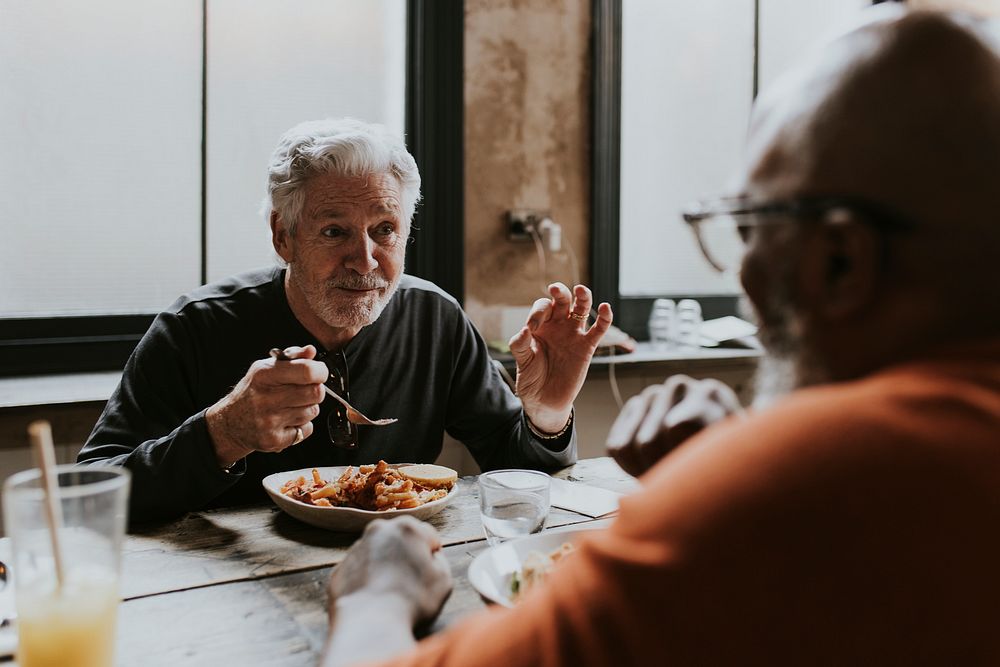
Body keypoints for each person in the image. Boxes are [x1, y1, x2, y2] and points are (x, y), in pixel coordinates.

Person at [319, 7, 1000, 666]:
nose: (743, 276)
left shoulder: (808, 485)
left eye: (750, 227)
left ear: (841, 260)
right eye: (333, 231)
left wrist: (378, 593)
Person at [78, 117, 613, 521]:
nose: (365, 260)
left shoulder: (434, 319)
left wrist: (547, 413)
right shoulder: (194, 327)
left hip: (401, 574)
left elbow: (521, 478)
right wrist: (223, 433)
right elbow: (87, 496)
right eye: (334, 231)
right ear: (283, 237)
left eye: (385, 230)